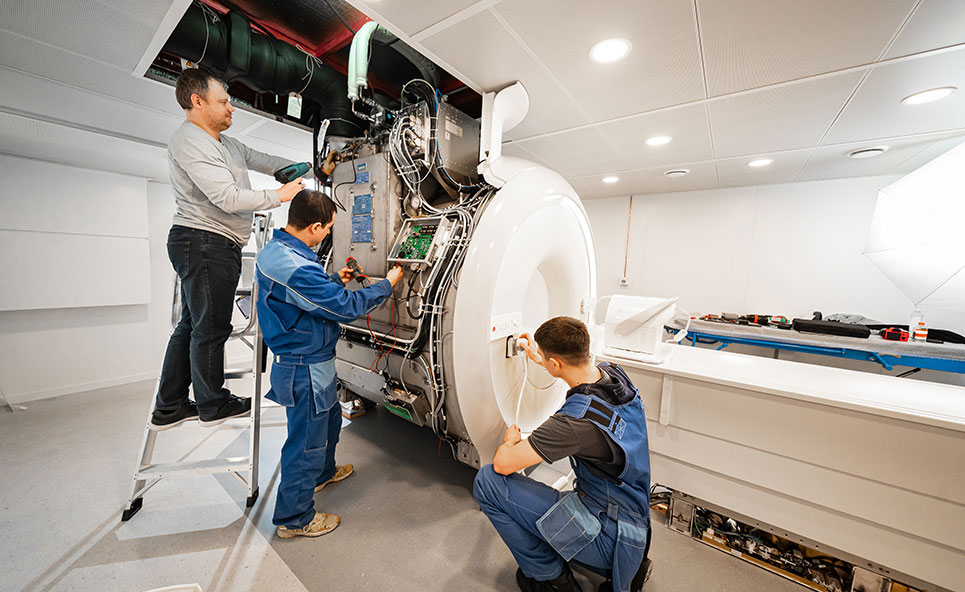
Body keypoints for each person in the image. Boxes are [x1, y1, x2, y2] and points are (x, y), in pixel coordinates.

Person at [149, 68, 335, 430]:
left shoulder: (226, 144)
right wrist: (279, 196)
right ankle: (211, 404)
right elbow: (227, 197)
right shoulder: (189, 141)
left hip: (212, 243)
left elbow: (263, 160)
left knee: (192, 324)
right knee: (211, 328)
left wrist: (315, 169)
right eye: (223, 101)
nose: (231, 108)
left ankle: (169, 406)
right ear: (196, 101)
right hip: (204, 241)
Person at [255, 189, 403, 538]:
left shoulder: (279, 252)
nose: (328, 234)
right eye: (328, 229)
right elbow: (344, 308)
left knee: (330, 420)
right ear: (316, 226)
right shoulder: (295, 266)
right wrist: (387, 285)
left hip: (313, 360)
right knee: (305, 443)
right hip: (303, 365)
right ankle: (294, 519)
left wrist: (336, 280)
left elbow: (304, 297)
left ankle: (322, 474)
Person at [473, 317, 654, 592]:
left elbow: (502, 464)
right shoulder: (614, 375)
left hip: (607, 534)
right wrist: (540, 358)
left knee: (487, 482)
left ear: (555, 363)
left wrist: (510, 442)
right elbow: (579, 381)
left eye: (547, 360)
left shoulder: (571, 425)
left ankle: (552, 580)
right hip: (633, 522)